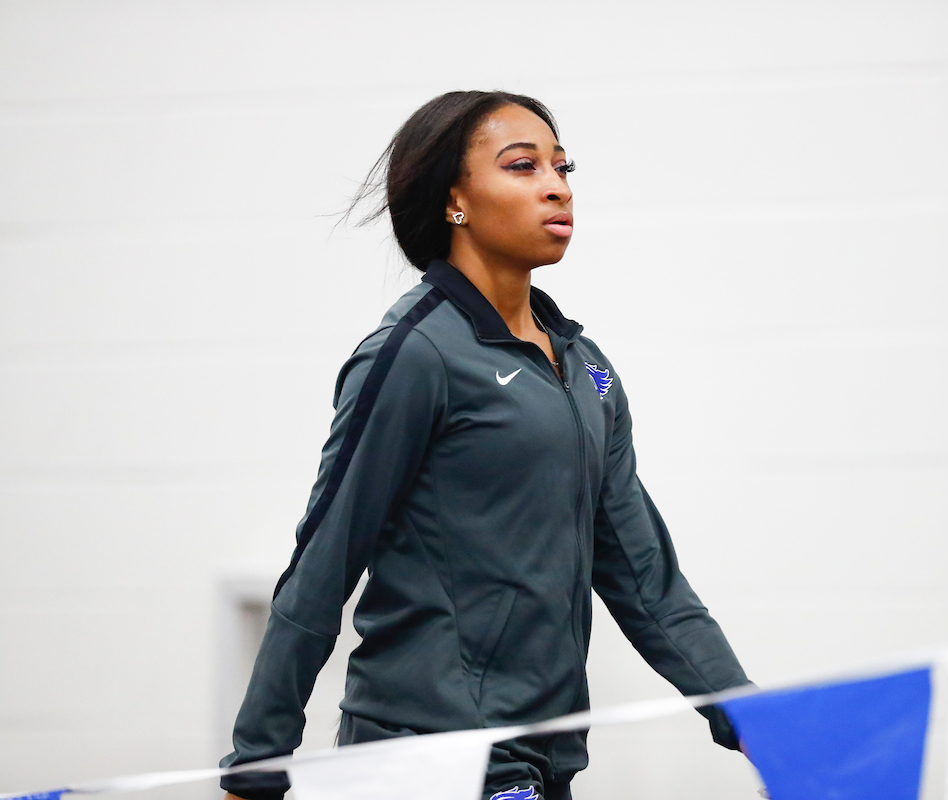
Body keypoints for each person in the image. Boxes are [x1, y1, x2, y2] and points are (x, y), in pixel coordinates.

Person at [219, 90, 751, 800]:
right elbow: (324, 561)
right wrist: (255, 768)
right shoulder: (414, 353)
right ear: (453, 201)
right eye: (523, 166)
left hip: (543, 761)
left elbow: (647, 582)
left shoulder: (584, 366)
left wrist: (751, 718)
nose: (557, 185)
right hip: (428, 760)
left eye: (562, 167)